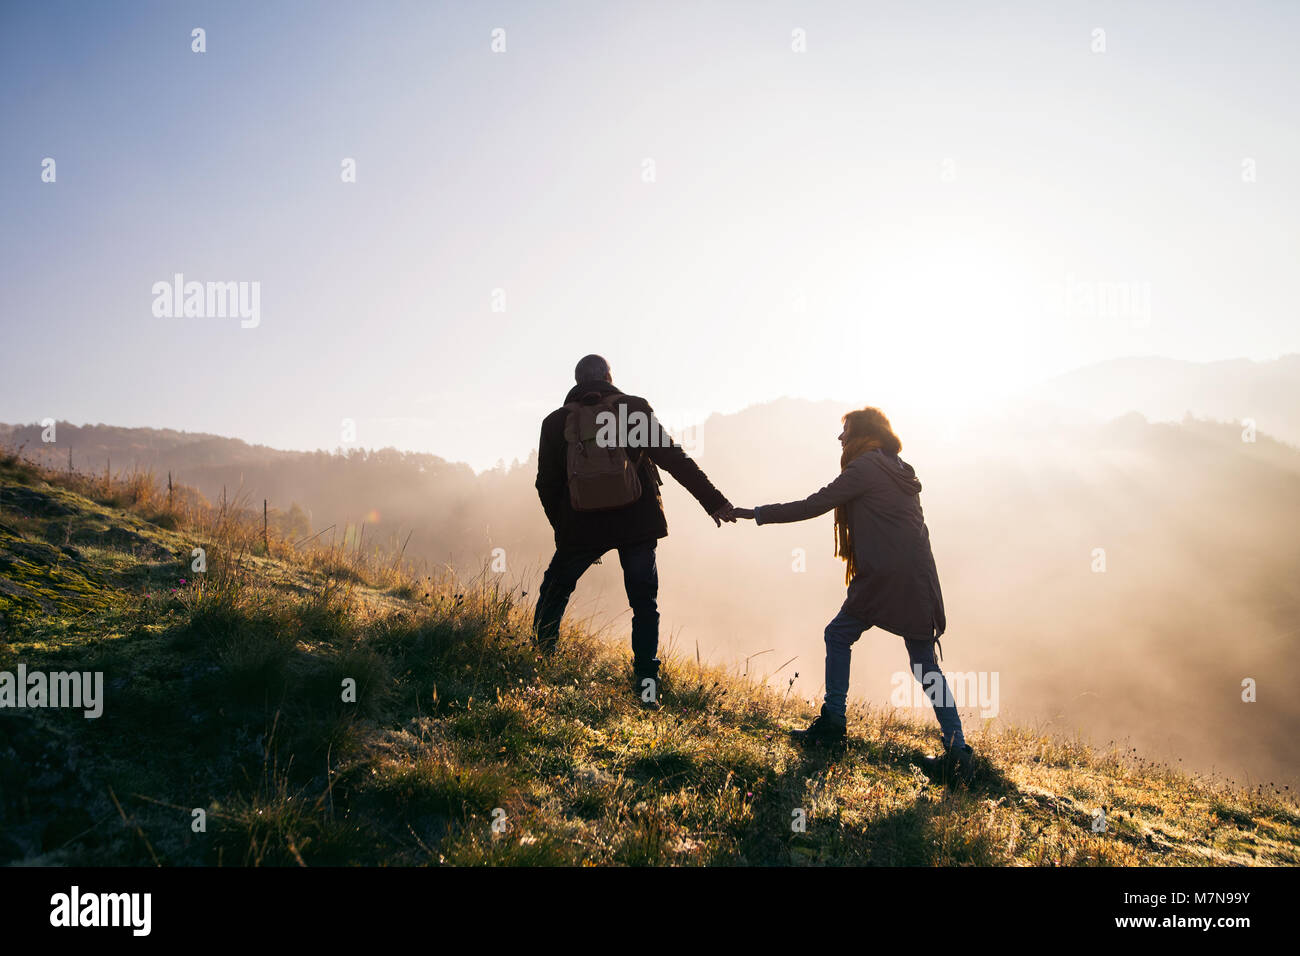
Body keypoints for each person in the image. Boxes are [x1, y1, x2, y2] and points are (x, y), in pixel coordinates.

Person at [732, 407, 973, 772]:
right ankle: (958, 751)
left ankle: (832, 725)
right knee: (925, 663)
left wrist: (758, 513)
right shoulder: (900, 467)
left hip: (883, 577)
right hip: (918, 577)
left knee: (838, 634)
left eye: (844, 431)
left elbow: (815, 504)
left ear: (860, 432)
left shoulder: (865, 468)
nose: (840, 438)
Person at [533, 354, 735, 705]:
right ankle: (647, 690)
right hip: (636, 521)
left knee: (556, 590)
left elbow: (546, 484)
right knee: (644, 604)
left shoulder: (556, 422)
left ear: (577, 381)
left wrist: (564, 530)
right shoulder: (632, 408)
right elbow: (672, 458)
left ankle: (537, 666)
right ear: (609, 377)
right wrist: (714, 501)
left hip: (581, 525)